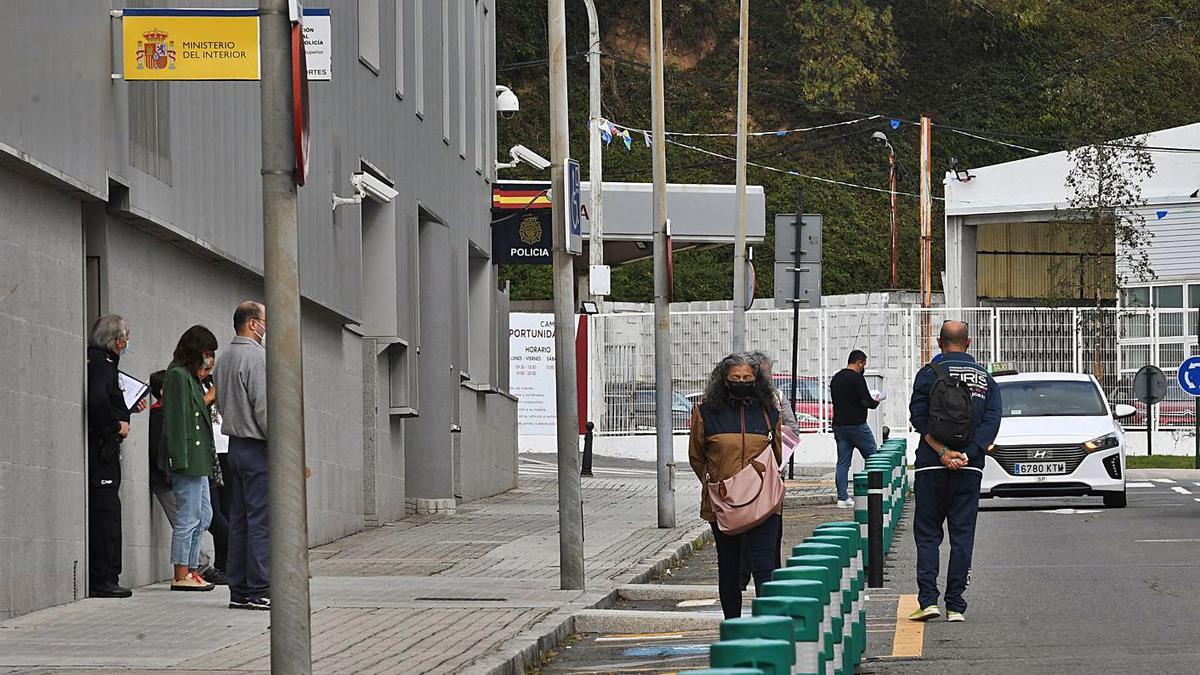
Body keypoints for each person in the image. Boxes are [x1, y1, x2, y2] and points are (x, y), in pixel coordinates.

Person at [907, 320, 1002, 623]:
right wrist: (968, 454)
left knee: (927, 534)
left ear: (939, 343)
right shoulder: (986, 379)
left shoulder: (927, 374)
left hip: (932, 465)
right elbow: (991, 424)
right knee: (962, 536)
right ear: (969, 342)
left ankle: (927, 601)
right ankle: (955, 605)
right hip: (969, 469)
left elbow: (918, 417)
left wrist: (942, 452)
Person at [688, 353, 783, 619]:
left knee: (765, 566)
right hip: (724, 504)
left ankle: (768, 625)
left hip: (764, 504)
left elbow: (776, 454)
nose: (742, 382)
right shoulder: (706, 413)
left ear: (757, 380)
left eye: (747, 378)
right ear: (724, 380)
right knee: (730, 569)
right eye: (736, 378)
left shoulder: (769, 413)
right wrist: (718, 485)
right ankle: (733, 625)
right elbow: (697, 457)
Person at [214, 301, 271, 611]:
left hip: (234, 446)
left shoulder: (223, 360)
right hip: (257, 447)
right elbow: (264, 407)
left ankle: (239, 590)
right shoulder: (256, 358)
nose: (266, 326)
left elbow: (221, 404)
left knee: (239, 521)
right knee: (261, 521)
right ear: (252, 323)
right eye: (264, 320)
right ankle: (259, 588)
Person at [86, 314, 142, 598]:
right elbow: (97, 400)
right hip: (103, 448)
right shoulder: (100, 365)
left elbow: (109, 399)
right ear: (116, 340)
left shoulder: (107, 364)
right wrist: (114, 425)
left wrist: (128, 408)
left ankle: (108, 574)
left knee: (110, 510)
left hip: (107, 446)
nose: (127, 342)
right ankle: (103, 577)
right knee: (105, 512)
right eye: (125, 337)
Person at [161, 325, 219, 592]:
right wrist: (178, 460)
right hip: (186, 459)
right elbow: (177, 419)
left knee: (203, 515)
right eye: (207, 352)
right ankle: (181, 571)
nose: (209, 358)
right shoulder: (177, 375)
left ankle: (192, 568)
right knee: (188, 517)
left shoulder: (191, 377)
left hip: (199, 458)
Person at [830, 350, 882, 508]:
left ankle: (842, 498)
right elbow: (866, 400)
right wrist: (875, 402)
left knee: (843, 462)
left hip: (839, 425)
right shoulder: (857, 378)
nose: (863, 368)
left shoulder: (836, 378)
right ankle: (876, 491)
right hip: (857, 425)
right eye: (863, 364)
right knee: (874, 458)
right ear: (859, 363)